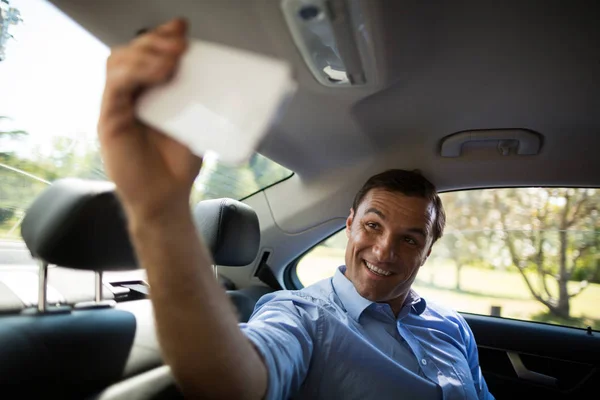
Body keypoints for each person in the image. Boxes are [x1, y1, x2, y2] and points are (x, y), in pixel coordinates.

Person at [98, 18, 494, 400]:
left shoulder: (452, 326)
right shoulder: (302, 316)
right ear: (350, 225)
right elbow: (233, 383)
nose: (385, 250)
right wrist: (160, 213)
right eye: (373, 226)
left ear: (427, 251)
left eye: (410, 238)